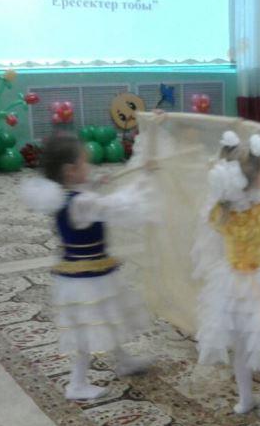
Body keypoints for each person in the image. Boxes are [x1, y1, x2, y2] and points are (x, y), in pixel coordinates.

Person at [20, 134, 157, 401]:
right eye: (85, 163)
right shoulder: (83, 203)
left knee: (108, 315)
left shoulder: (65, 196)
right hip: (87, 281)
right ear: (70, 171)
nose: (90, 167)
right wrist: (144, 179)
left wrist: (94, 184)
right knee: (87, 330)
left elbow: (86, 197)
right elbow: (115, 205)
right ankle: (77, 384)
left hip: (87, 274)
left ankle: (124, 360)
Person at [192, 131, 260, 418]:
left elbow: (213, 239)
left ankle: (244, 400)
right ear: (259, 177)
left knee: (241, 349)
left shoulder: (220, 211)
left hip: (231, 286)